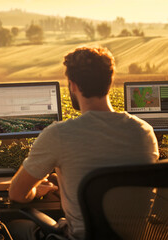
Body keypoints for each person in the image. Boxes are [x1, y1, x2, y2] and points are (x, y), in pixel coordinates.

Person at [8, 46, 159, 240]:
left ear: (73, 85)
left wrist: (37, 191)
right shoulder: (144, 132)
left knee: (15, 227)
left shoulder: (59, 134)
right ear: (110, 82)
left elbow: (17, 194)